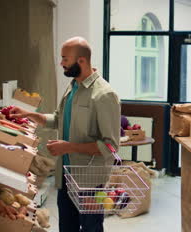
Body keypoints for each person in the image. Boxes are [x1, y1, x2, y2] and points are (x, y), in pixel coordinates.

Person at [9, 37, 121, 232]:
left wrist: (68, 147)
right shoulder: (73, 87)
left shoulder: (104, 95)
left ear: (82, 61)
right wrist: (29, 115)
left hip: (89, 183)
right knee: (66, 228)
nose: (61, 63)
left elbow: (110, 146)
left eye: (65, 59)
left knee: (91, 229)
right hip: (66, 177)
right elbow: (58, 118)